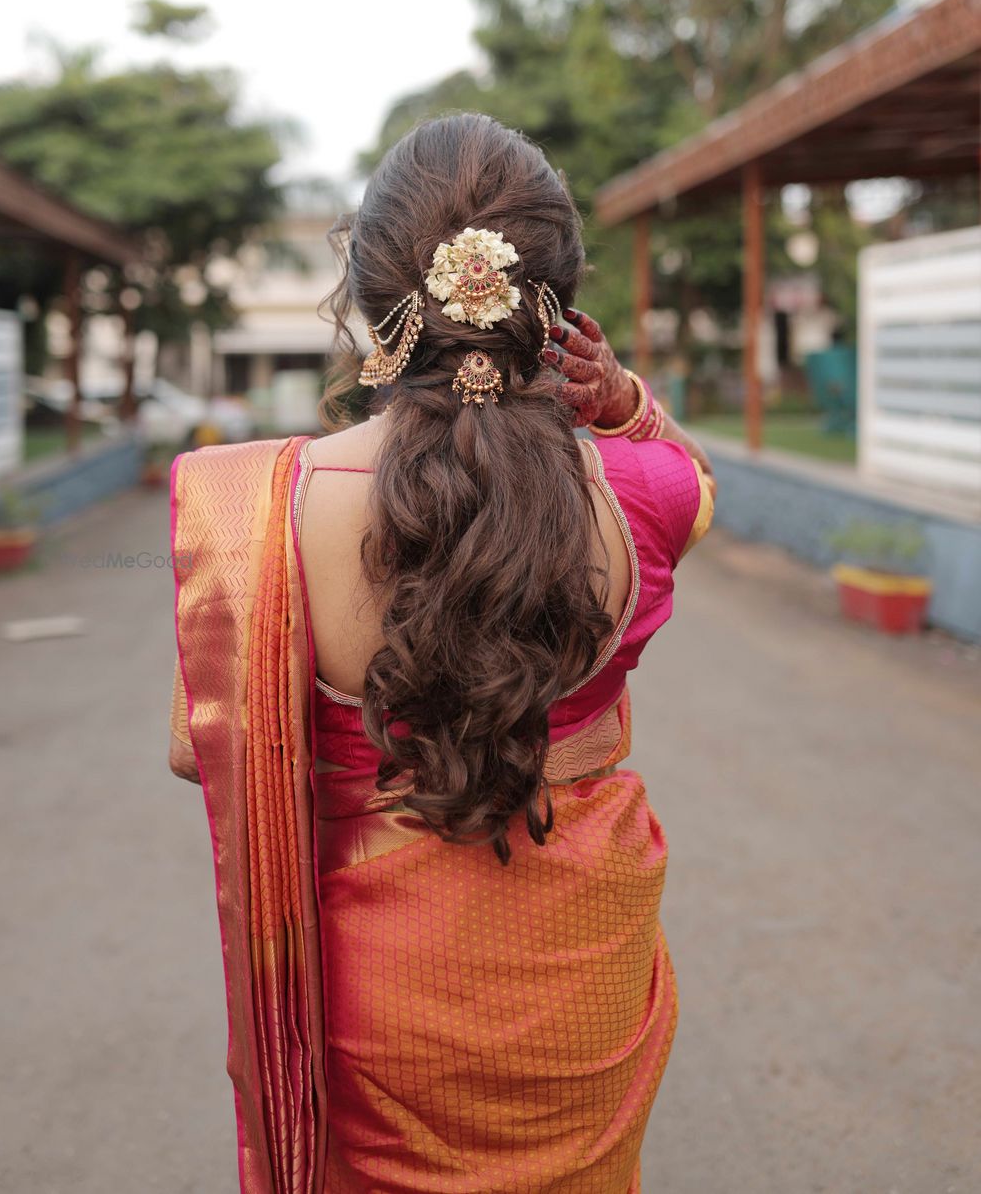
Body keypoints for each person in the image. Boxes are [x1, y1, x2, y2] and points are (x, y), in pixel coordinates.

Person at [168, 113, 715, 1194]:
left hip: (381, 993)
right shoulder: (646, 493)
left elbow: (201, 751)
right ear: (551, 302)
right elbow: (687, 471)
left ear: (372, 300)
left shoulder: (258, 509)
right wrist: (627, 407)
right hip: (582, 975)